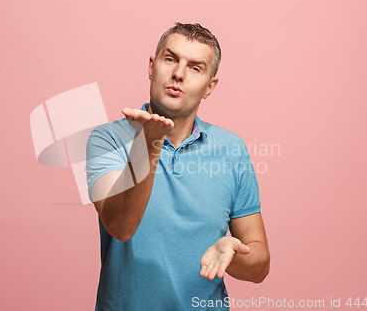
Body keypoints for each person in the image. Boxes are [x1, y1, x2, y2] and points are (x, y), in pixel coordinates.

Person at [85, 22, 270, 311]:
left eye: (195, 68)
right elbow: (119, 226)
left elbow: (260, 266)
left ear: (210, 86)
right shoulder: (107, 139)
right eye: (170, 59)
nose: (178, 74)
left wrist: (233, 256)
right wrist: (149, 145)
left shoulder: (232, 149)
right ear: (151, 66)